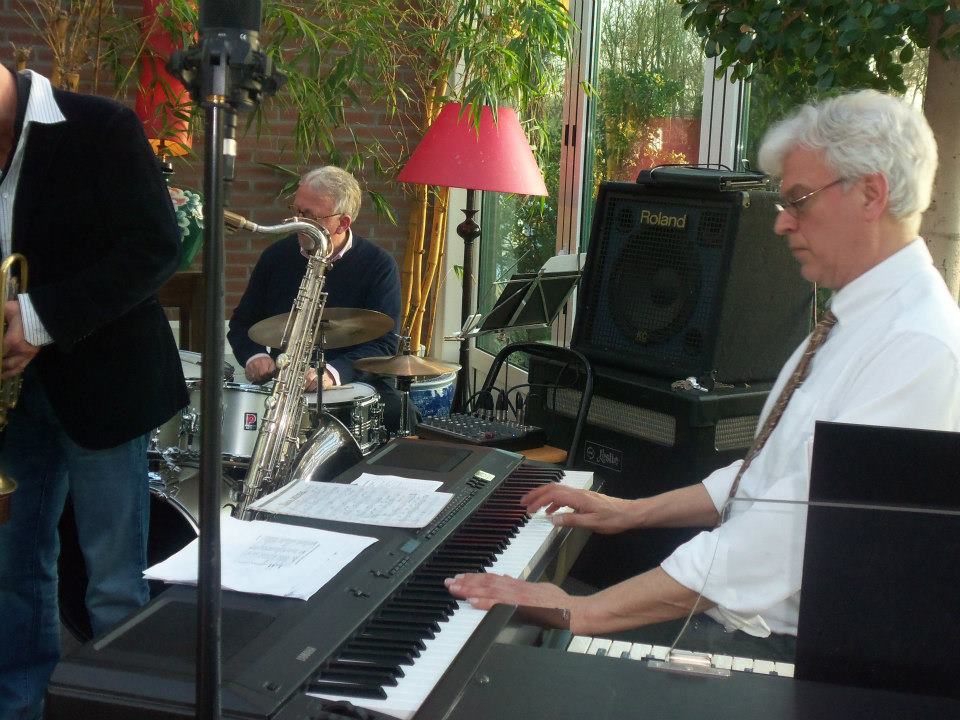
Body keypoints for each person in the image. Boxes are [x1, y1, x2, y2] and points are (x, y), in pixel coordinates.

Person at [446, 90, 960, 649]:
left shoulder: (917, 344)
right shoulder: (858, 316)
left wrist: (582, 612)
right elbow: (767, 476)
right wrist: (629, 511)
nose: (781, 224)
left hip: (783, 646)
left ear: (870, 194)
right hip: (743, 615)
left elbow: (791, 530)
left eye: (798, 200)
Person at [0, 65, 188, 719]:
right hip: (12, 392)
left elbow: (157, 247)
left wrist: (40, 317)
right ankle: (20, 704)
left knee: (111, 578)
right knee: (14, 565)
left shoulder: (101, 125)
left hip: (105, 387)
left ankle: (118, 708)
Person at [227, 165, 405, 433]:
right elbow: (242, 324)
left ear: (343, 222)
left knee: (401, 415)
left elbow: (385, 344)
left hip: (353, 387)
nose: (296, 222)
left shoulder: (378, 265)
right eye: (296, 210)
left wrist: (332, 374)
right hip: (286, 386)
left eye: (308, 215)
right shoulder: (276, 256)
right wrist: (253, 357)